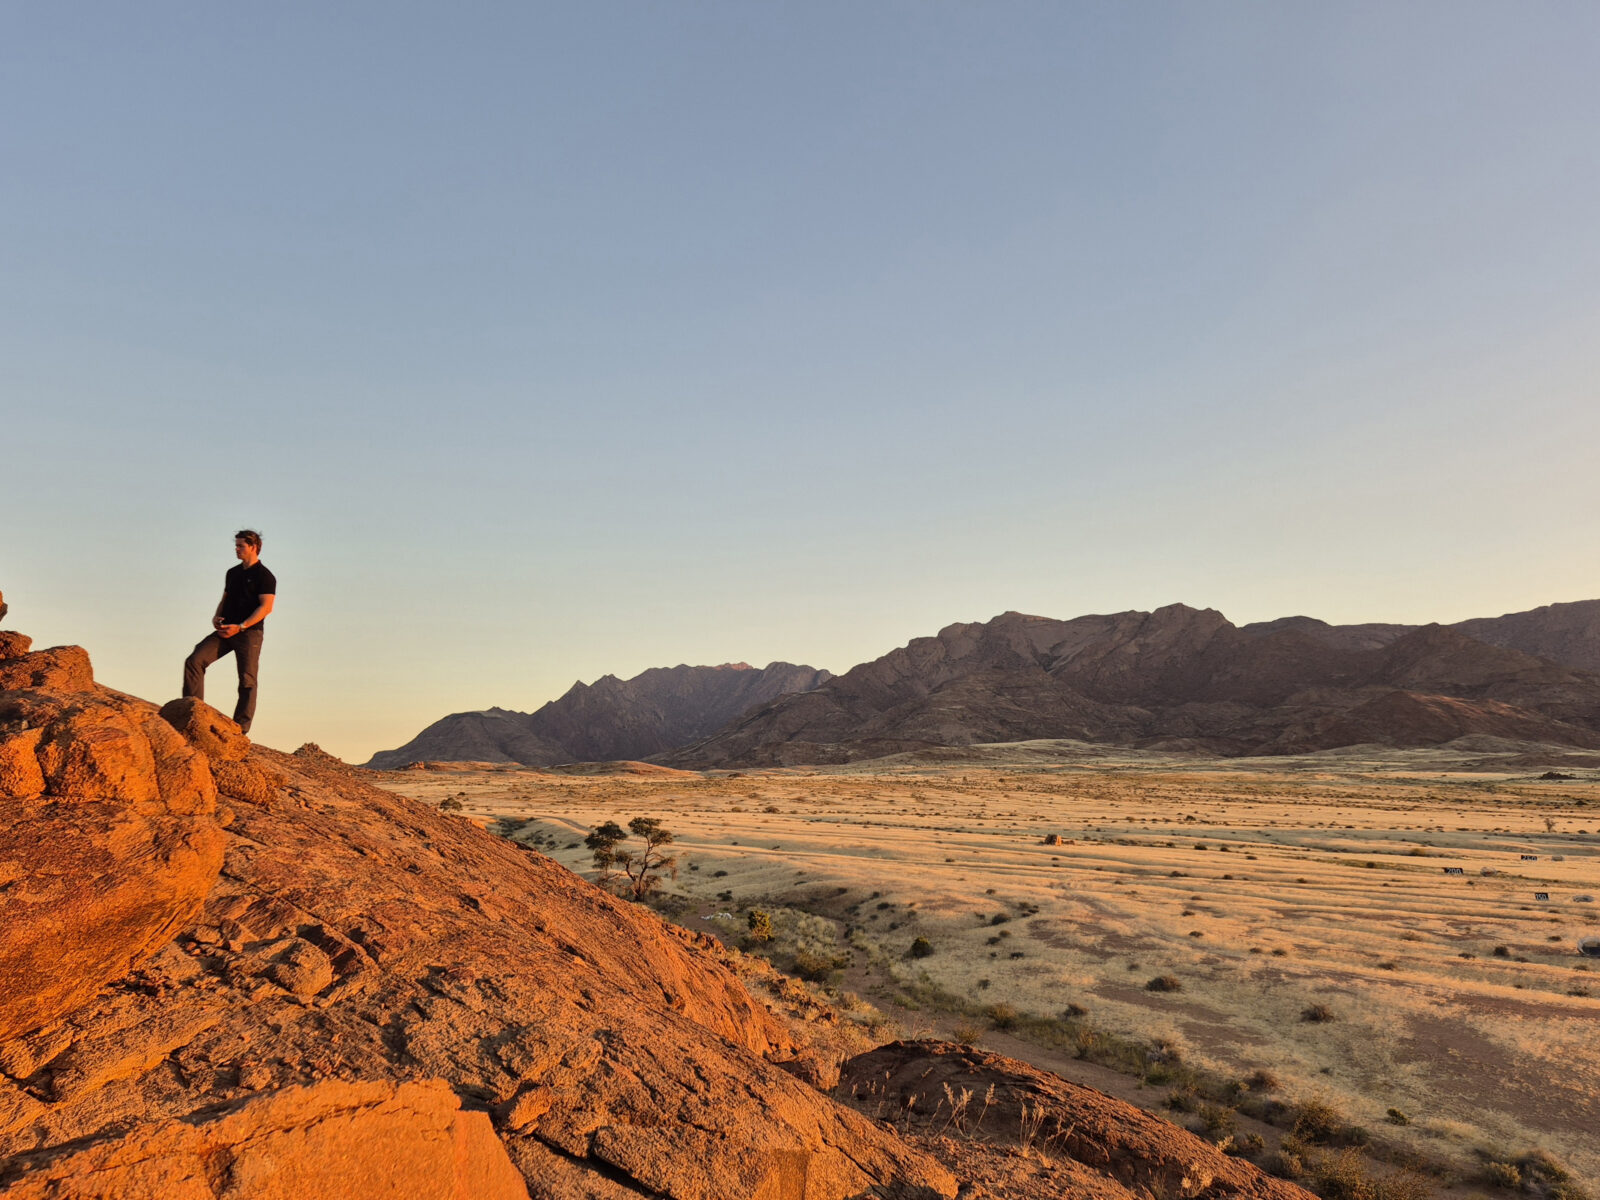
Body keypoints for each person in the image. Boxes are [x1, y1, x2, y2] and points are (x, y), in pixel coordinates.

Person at [183, 530, 276, 734]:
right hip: (226, 630)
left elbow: (266, 607)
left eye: (240, 545)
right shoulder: (232, 573)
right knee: (195, 661)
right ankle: (191, 711)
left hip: (248, 633)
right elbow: (225, 598)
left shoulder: (265, 576)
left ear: (253, 547)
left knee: (247, 680)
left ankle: (240, 730)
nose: (236, 549)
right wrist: (217, 616)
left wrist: (241, 626)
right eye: (236, 545)